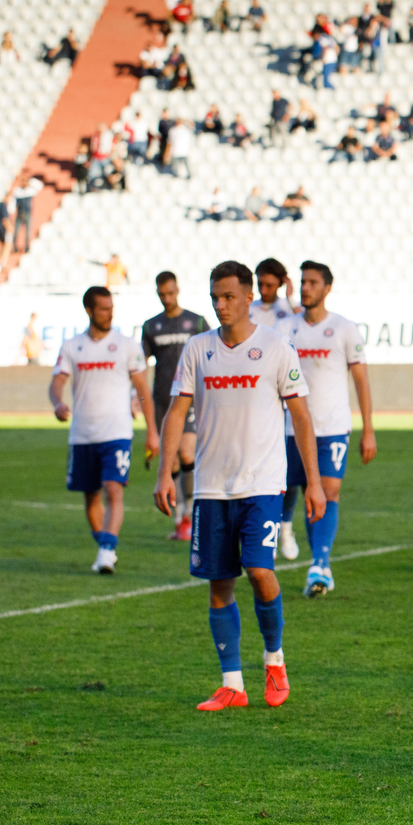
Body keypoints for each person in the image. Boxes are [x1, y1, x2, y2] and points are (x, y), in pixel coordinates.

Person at [154, 260, 321, 712]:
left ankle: (274, 659)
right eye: (215, 297)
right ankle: (232, 684)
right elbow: (176, 411)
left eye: (229, 297)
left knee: (260, 571)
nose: (221, 305)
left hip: (263, 484)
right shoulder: (197, 349)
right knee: (219, 584)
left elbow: (301, 416)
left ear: (249, 297)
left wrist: (314, 484)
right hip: (210, 486)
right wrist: (165, 471)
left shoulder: (275, 347)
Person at [49, 286, 159, 575]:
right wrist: (57, 402)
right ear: (89, 310)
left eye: (111, 308)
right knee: (90, 496)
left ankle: (107, 551)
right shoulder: (72, 346)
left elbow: (143, 390)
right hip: (83, 434)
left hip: (117, 432)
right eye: (103, 309)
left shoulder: (127, 345)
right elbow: (58, 380)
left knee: (113, 489)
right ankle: (104, 542)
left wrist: (152, 431)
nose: (109, 314)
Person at [281, 261, 375, 598]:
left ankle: (319, 563)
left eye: (313, 282)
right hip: (292, 429)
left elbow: (361, 380)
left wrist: (368, 429)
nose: (306, 287)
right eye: (303, 282)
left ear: (327, 288)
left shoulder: (345, 329)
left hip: (333, 427)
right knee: (308, 492)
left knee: (329, 490)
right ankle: (306, 550)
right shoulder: (285, 328)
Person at [142, 271, 209, 541]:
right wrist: (138, 398)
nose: (167, 298)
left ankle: (191, 515)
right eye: (162, 294)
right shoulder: (151, 326)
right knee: (169, 462)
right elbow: (140, 366)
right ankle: (181, 518)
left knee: (187, 453)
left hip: (190, 398)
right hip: (162, 400)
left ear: (177, 290)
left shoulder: (196, 321)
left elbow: (213, 353)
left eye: (171, 293)